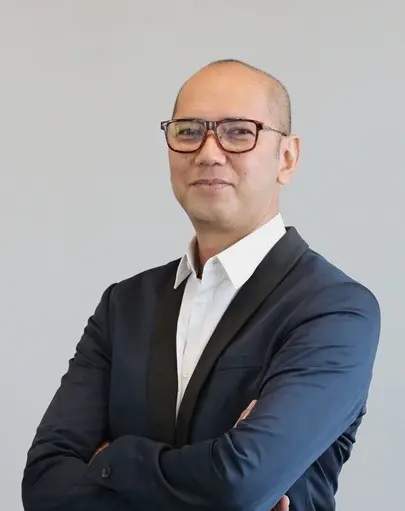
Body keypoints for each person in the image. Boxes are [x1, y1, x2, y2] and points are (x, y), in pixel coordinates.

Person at [22, 59, 381, 511]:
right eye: (189, 131)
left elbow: (239, 483)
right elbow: (44, 484)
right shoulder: (125, 305)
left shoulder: (335, 309)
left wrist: (113, 460)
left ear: (287, 158)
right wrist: (212, 477)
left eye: (239, 132)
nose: (209, 152)